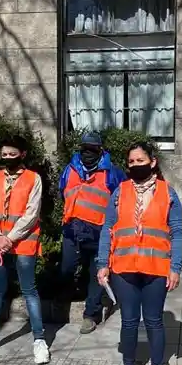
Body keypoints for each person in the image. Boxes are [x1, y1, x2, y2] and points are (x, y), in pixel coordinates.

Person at [95, 142, 182, 365]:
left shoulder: (168, 193)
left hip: (156, 268)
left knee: (154, 321)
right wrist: (103, 263)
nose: (135, 165)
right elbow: (108, 229)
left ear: (152, 162)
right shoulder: (120, 192)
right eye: (131, 162)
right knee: (129, 321)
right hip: (124, 268)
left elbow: (177, 232)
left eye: (140, 160)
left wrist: (175, 267)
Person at [0, 135, 51, 365]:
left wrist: (10, 238)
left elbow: (32, 212)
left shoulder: (33, 179)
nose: (7, 158)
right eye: (3, 154)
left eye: (12, 154)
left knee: (29, 291)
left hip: (23, 242)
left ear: (22, 155)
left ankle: (39, 339)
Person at [59, 131, 127, 334]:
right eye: (84, 148)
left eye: (92, 149)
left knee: (96, 274)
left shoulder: (112, 173)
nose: (88, 153)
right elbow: (62, 192)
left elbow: (121, 200)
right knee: (67, 267)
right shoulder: (70, 170)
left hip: (100, 233)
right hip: (73, 229)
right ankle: (62, 301)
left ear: (100, 150)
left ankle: (91, 314)